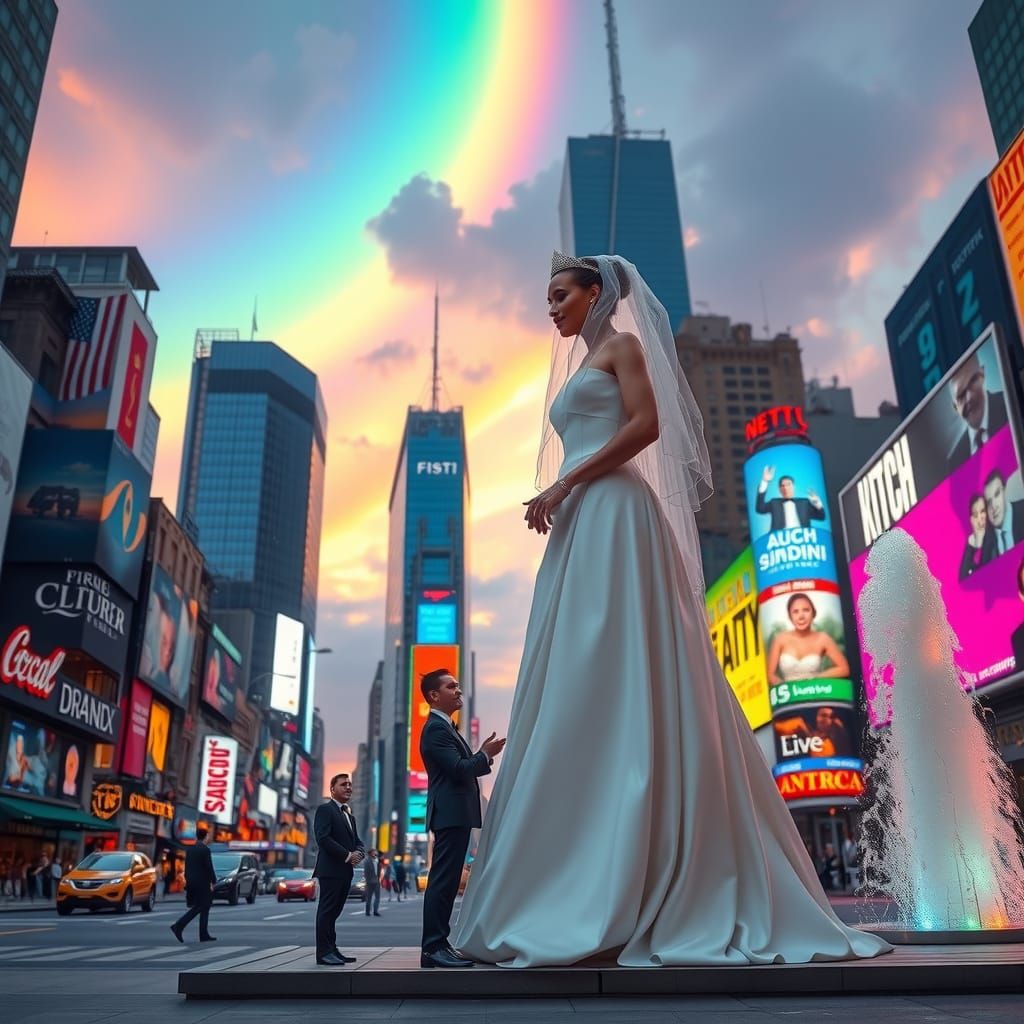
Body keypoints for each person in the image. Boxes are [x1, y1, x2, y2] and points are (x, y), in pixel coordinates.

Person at [452, 252, 892, 968]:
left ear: (596, 293)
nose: (551, 308)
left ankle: (653, 874)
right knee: (576, 680)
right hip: (583, 523)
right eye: (548, 297)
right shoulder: (582, 363)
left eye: (561, 295)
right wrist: (565, 493)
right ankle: (577, 873)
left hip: (615, 513)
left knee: (628, 666)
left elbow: (646, 427)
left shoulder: (623, 347)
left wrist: (563, 484)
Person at [419, 669, 505, 969]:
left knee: (447, 881)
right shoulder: (436, 729)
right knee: (442, 882)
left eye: (458, 685)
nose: (458, 691)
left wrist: (482, 755)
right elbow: (458, 769)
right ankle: (433, 948)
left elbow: (461, 766)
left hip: (455, 814)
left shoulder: (446, 728)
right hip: (449, 814)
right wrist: (485, 754)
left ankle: (440, 944)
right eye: (451, 686)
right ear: (434, 695)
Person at [312, 772, 364, 966]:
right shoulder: (325, 810)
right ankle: (323, 953)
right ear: (332, 789)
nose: (348, 787)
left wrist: (359, 853)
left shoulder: (349, 815)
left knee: (334, 913)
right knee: (327, 912)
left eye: (349, 784)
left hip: (344, 872)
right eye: (343, 784)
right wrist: (347, 855)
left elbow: (357, 841)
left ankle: (332, 949)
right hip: (330, 870)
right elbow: (323, 838)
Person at [765, 593, 849, 684]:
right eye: (795, 612)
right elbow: (769, 675)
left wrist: (817, 678)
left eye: (806, 610)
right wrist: (785, 687)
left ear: (813, 613)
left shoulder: (823, 638)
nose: (801, 616)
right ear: (790, 616)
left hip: (816, 690)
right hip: (788, 692)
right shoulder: (780, 639)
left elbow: (844, 669)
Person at [947, 351, 1008, 465]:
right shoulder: (955, 460)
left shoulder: (1011, 401)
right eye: (961, 395)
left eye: (973, 381)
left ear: (982, 374)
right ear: (955, 407)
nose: (969, 397)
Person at [170, 827, 216, 943]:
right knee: (202, 906)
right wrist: (213, 880)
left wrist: (188, 880)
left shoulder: (190, 849)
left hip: (192, 882)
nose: (208, 838)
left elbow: (187, 867)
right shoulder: (205, 850)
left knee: (203, 906)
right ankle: (179, 925)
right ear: (205, 837)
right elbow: (208, 867)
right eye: (208, 836)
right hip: (202, 883)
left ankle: (203, 934)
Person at [755, 466, 826, 532]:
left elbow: (821, 517)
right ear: (779, 489)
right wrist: (765, 481)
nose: (786, 488)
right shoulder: (774, 503)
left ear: (794, 486)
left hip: (803, 538)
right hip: (780, 539)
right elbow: (760, 509)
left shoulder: (804, 503)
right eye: (782, 486)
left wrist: (818, 504)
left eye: (788, 484)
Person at [984, 469, 1024, 556]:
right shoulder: (987, 542)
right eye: (988, 502)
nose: (993, 506)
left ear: (1004, 490)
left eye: (997, 494)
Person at [959, 493, 995, 579]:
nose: (979, 518)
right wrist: (974, 543)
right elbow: (962, 577)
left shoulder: (994, 535)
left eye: (982, 511)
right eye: (975, 515)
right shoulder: (972, 541)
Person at [362, 848, 382, 917]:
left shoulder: (377, 860)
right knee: (369, 897)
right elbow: (366, 872)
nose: (375, 853)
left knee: (377, 897)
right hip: (369, 881)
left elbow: (379, 870)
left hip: (376, 881)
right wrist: (367, 880)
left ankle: (375, 911)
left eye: (375, 852)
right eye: (374, 852)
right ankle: (367, 911)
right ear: (370, 853)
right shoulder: (367, 861)